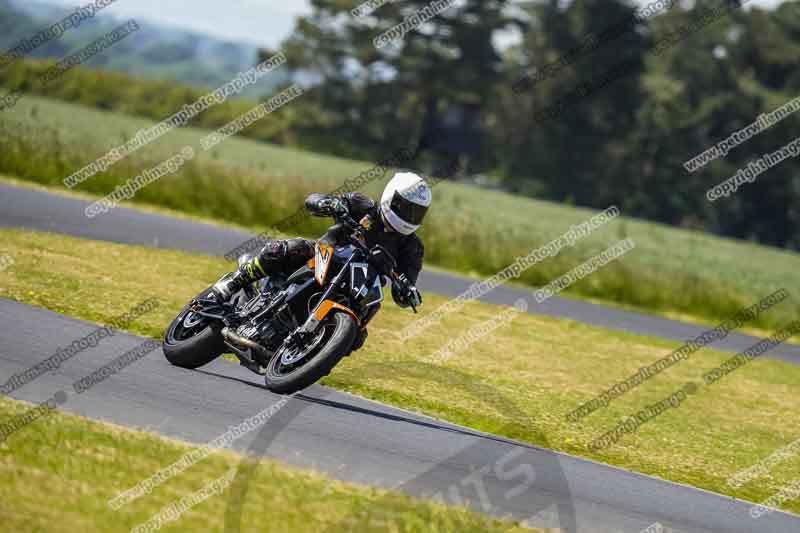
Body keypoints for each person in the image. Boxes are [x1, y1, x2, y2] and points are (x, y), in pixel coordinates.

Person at [212, 171, 431, 321]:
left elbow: (405, 287)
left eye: (416, 212)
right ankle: (236, 281)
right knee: (285, 249)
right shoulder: (362, 205)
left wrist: (408, 293)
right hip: (326, 252)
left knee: (367, 318)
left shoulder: (413, 248)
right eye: (405, 207)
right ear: (391, 197)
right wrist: (330, 204)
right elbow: (312, 201)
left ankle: (317, 345)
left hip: (361, 283)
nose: (408, 216)